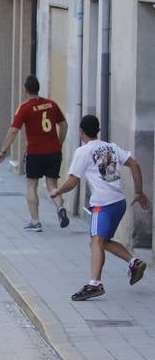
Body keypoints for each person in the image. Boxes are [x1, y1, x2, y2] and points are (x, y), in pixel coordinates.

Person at [49, 116, 150, 301]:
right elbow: (134, 165)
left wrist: (58, 191)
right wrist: (139, 192)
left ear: (81, 132)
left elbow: (73, 180)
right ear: (98, 130)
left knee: (96, 242)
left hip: (102, 205)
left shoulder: (83, 151)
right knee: (102, 242)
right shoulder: (110, 147)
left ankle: (94, 284)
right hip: (119, 203)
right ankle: (134, 262)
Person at [0, 75, 70, 231]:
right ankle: (60, 207)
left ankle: (35, 221)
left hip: (35, 152)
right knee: (52, 184)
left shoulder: (25, 107)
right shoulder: (51, 104)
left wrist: (3, 150)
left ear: (25, 90)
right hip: (54, 151)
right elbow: (64, 125)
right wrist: (59, 143)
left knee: (31, 186)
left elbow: (13, 131)